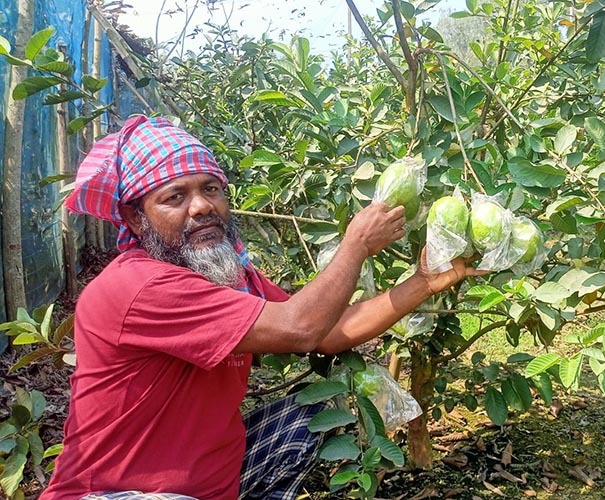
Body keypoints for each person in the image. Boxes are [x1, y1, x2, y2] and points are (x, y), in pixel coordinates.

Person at [41, 115, 483, 500]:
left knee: (309, 416)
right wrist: (356, 245)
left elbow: (328, 331)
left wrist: (424, 282)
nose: (202, 207)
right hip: (117, 494)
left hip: (209, 486)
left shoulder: (234, 281)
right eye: (175, 197)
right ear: (136, 218)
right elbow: (301, 327)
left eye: (211, 189)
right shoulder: (139, 287)